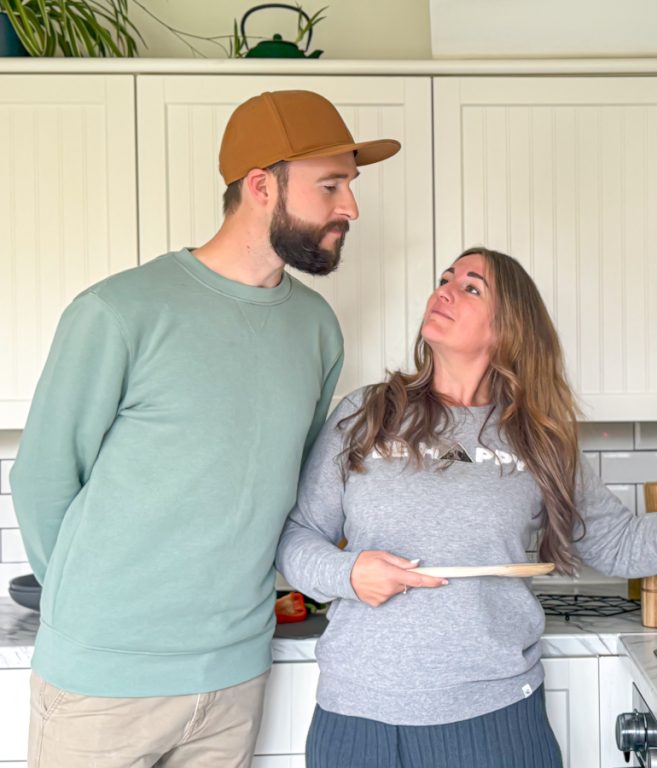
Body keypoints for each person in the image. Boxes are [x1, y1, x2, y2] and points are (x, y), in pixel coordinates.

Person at [10, 90, 400, 768]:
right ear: (260, 186)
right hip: (103, 684)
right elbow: (43, 479)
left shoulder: (314, 329)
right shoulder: (118, 311)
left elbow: (293, 484)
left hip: (233, 678)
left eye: (350, 186)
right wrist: (96, 620)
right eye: (331, 185)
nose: (351, 208)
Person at [277, 246, 657, 768]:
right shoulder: (368, 412)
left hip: (497, 719)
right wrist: (348, 572)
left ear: (508, 328)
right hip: (359, 718)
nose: (443, 290)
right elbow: (298, 534)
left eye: (471, 288)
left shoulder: (538, 438)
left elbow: (619, 544)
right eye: (446, 278)